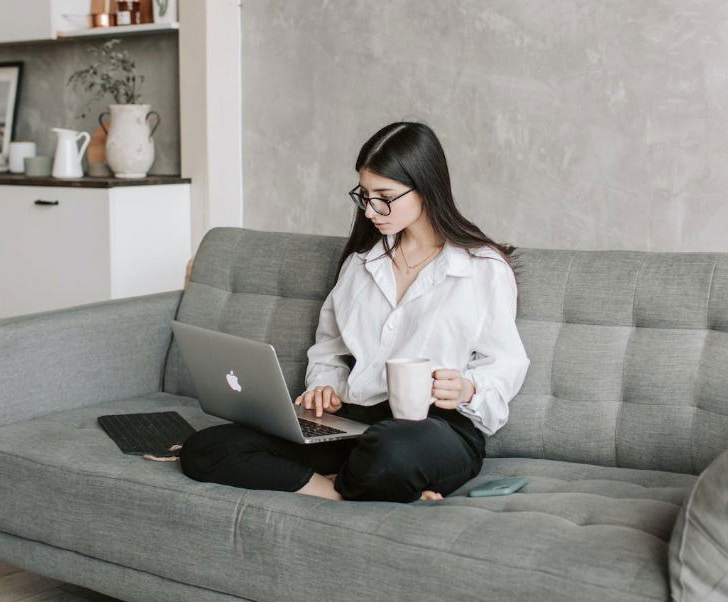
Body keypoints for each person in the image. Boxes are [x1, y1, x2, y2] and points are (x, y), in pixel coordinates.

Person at [179, 121, 531, 503]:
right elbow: (329, 349)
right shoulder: (362, 264)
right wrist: (323, 387)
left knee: (392, 452)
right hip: (354, 422)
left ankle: (368, 478)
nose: (369, 211)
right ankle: (335, 489)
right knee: (206, 447)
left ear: (426, 188)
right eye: (364, 195)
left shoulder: (481, 267)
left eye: (384, 196)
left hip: (434, 428)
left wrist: (469, 388)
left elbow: (505, 363)